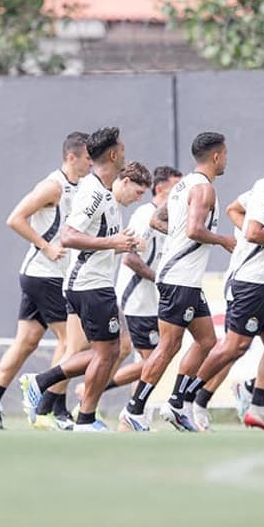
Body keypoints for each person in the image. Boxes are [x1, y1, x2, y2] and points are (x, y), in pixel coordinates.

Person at [20, 132, 150, 432]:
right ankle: (78, 413)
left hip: (90, 283)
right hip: (90, 285)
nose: (126, 154)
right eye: (122, 150)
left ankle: (56, 395)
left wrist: (125, 243)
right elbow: (68, 236)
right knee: (108, 352)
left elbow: (99, 241)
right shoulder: (92, 192)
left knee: (107, 351)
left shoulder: (104, 192)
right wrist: (113, 243)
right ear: (113, 155)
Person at [179, 145, 264, 434]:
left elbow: (234, 210)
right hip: (248, 282)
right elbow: (252, 232)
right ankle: (186, 399)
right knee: (234, 347)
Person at [0, 132, 91, 430]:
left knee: (26, 341)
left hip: (48, 276)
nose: (92, 163)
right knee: (73, 342)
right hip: (44, 275)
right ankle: (52, 408)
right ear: (71, 157)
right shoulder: (53, 186)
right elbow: (15, 218)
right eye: (88, 158)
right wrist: (46, 246)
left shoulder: (83, 187)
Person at [118, 132, 236, 432]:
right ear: (216, 156)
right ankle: (134, 410)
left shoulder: (183, 186)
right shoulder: (204, 189)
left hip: (188, 281)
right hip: (179, 279)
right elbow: (195, 230)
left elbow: (157, 220)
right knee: (169, 346)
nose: (226, 159)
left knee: (207, 341)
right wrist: (223, 240)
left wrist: (179, 235)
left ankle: (176, 403)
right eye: (225, 154)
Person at [70, 166, 182, 408]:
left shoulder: (165, 218)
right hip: (133, 299)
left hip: (148, 300)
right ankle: (126, 410)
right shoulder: (145, 214)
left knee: (128, 354)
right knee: (150, 359)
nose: (180, 194)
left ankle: (110, 406)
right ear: (160, 188)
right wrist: (160, 279)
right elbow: (130, 258)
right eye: (176, 188)